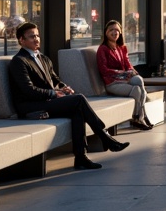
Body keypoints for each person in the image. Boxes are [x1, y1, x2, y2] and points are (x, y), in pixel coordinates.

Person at [9, 22, 128, 170]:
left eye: (37, 35)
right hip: (31, 106)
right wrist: (53, 93)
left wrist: (63, 88)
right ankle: (104, 137)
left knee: (77, 109)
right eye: (32, 36)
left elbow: (55, 80)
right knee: (79, 99)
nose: (36, 39)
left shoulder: (43, 58)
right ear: (21, 40)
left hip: (47, 101)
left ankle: (81, 157)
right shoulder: (19, 61)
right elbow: (28, 90)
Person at [97, 19, 150, 129]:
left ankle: (140, 116)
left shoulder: (121, 48)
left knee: (139, 80)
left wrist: (131, 71)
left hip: (124, 79)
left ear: (120, 32)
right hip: (112, 82)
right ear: (106, 33)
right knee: (137, 90)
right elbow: (104, 70)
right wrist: (123, 72)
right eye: (111, 30)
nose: (114, 32)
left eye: (117, 30)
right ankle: (140, 117)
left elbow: (127, 64)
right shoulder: (103, 49)